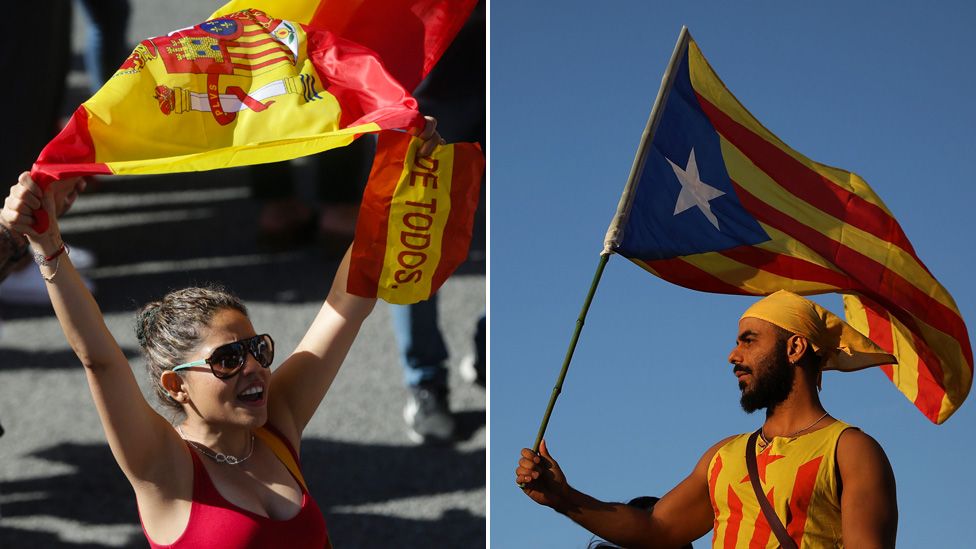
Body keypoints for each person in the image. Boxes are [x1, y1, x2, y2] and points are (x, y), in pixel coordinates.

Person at [1, 123, 442, 547]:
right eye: (228, 359)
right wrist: (48, 244)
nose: (253, 367)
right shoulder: (162, 465)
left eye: (256, 349)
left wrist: (400, 181)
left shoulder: (277, 423)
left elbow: (347, 304)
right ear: (176, 385)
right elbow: (100, 359)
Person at [516, 290, 899, 548]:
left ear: (795, 348)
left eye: (749, 341)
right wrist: (563, 499)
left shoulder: (851, 450)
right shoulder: (723, 456)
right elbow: (656, 528)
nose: (733, 355)